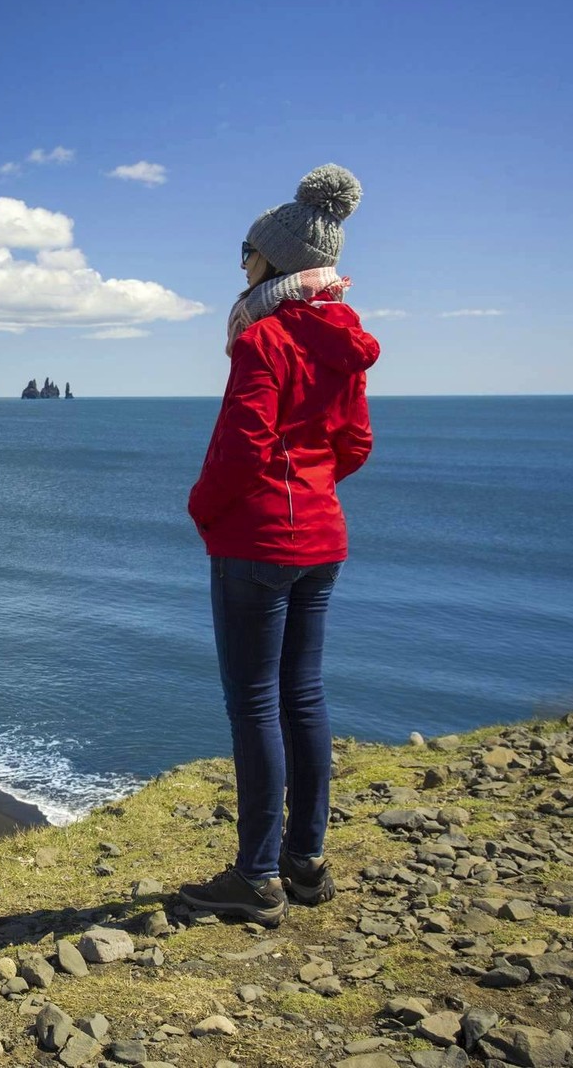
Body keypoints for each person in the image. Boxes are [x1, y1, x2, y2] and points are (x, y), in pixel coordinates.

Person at [178, 164, 380, 927]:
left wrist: (205, 510)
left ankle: (257, 876)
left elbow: (244, 446)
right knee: (304, 695)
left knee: (255, 703)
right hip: (321, 538)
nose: (242, 265)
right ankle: (305, 861)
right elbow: (355, 444)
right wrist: (314, 484)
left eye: (247, 251)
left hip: (259, 540)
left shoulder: (263, 338)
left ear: (276, 259)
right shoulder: (342, 340)